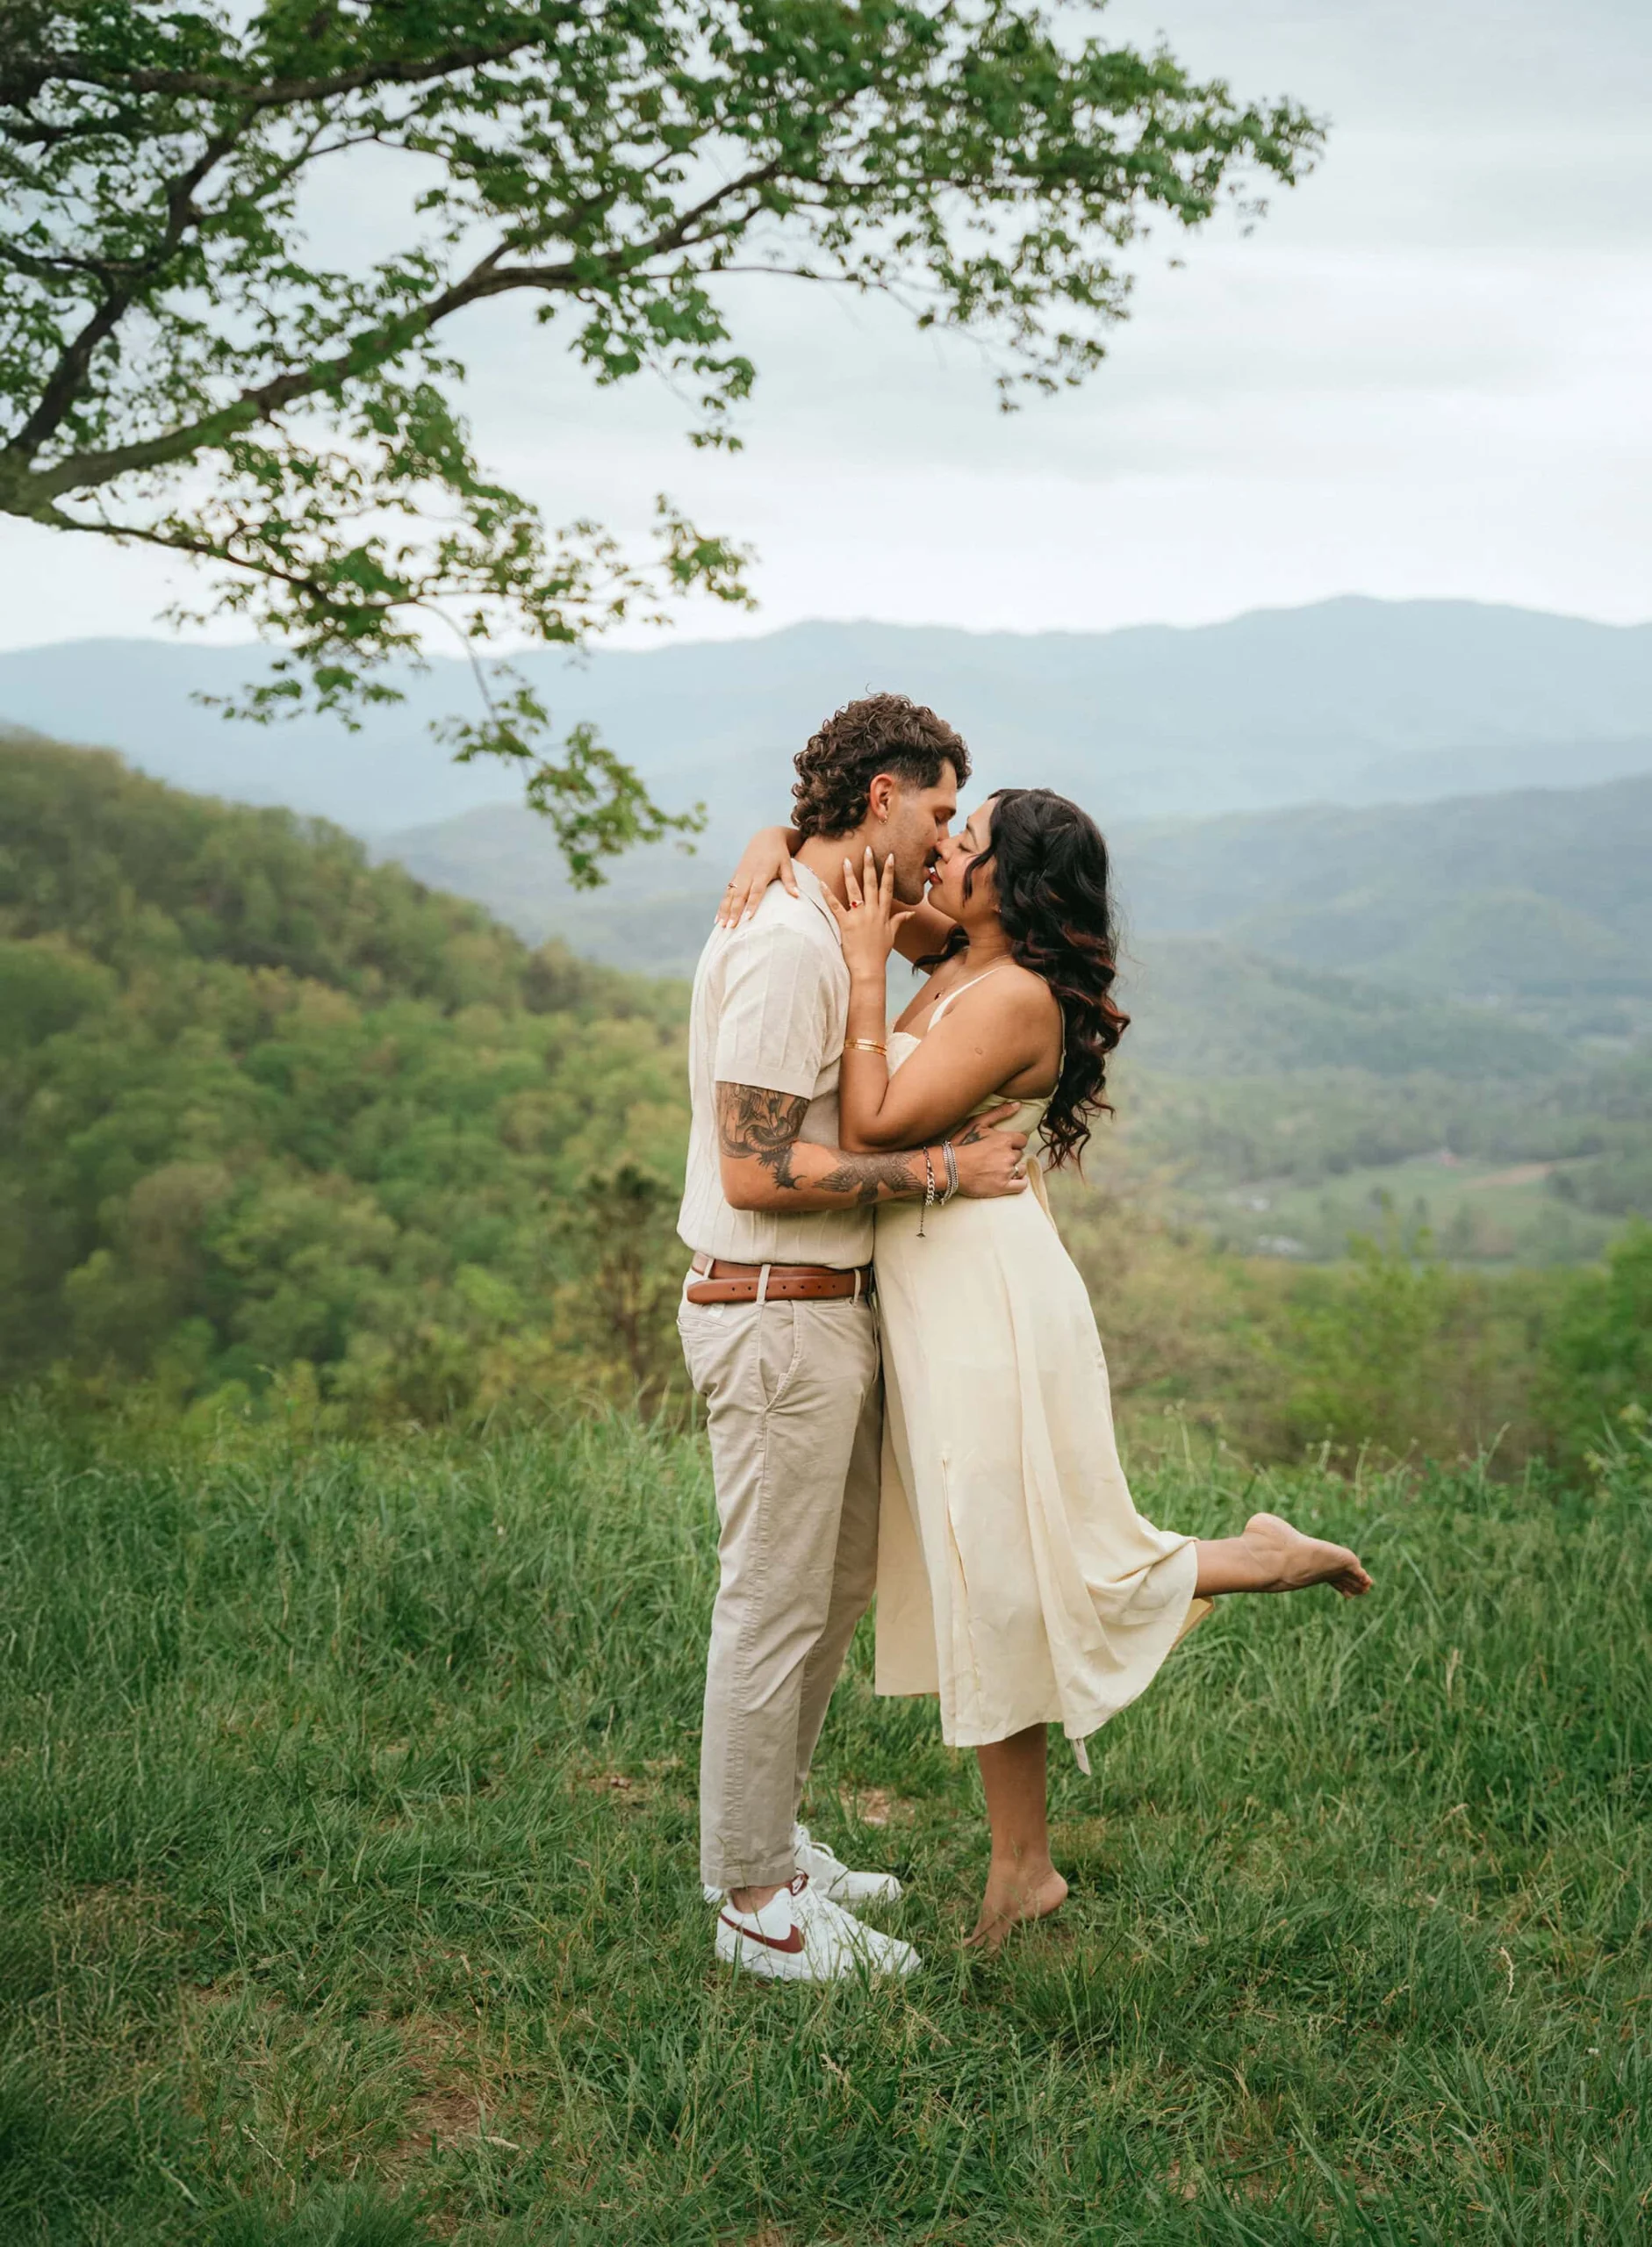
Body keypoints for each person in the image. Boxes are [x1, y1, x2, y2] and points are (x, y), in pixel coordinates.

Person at [720, 784, 1374, 1949]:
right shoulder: (955, 955)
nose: (940, 852)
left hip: (984, 1294)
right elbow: (835, 880)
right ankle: (1024, 1869)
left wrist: (867, 969)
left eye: (963, 845)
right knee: (990, 1575)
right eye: (945, 830)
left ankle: (1252, 1563)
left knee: (1011, 1563)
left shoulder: (1012, 993)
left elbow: (870, 1123)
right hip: (924, 1288)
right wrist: (774, 840)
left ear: (1008, 886)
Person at [677, 693, 1033, 1983]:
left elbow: (967, 925)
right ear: (881, 796)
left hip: (819, 1314)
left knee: (819, 1600)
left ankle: (768, 1834)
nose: (947, 842)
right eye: (939, 811)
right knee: (768, 1607)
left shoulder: (843, 918)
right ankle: (751, 1902)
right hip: (769, 1312)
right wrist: (939, 1169)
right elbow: (760, 1169)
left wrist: (774, 830)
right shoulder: (785, 950)